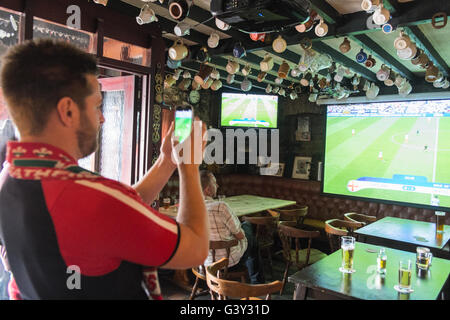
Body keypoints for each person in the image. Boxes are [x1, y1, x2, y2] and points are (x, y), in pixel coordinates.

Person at [0, 39, 209, 299]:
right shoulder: (93, 200)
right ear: (67, 111)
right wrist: (189, 167)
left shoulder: (11, 178)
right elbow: (196, 247)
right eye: (97, 105)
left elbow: (112, 218)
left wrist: (165, 162)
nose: (102, 117)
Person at [200, 170, 264, 284]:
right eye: (215, 183)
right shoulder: (221, 206)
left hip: (204, 260)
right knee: (249, 230)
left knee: (244, 227)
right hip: (227, 261)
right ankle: (257, 283)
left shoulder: (188, 207)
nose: (218, 185)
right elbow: (240, 235)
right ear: (208, 190)